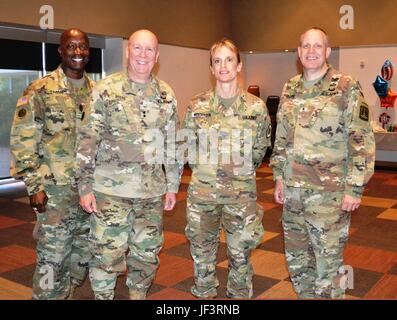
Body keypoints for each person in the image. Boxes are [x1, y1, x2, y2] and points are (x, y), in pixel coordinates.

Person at [76, 29, 182, 300]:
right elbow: (88, 138)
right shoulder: (106, 90)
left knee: (146, 255)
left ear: (156, 55)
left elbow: (172, 145)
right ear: (127, 51)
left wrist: (172, 186)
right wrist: (84, 186)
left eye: (149, 50)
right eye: (137, 48)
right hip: (110, 193)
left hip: (151, 193)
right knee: (106, 255)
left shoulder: (166, 95)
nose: (143, 55)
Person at [270, 27, 375, 299]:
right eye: (306, 46)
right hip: (293, 192)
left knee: (328, 264)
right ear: (298, 52)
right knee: (297, 261)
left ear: (328, 51)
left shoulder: (345, 86)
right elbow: (282, 135)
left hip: (329, 194)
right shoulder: (290, 87)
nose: (311, 51)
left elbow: (361, 138)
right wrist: (278, 177)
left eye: (318, 46)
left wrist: (355, 188)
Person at [182, 39, 271, 298]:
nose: (223, 66)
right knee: (202, 256)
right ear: (211, 68)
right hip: (203, 195)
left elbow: (259, 150)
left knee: (240, 255)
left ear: (239, 65)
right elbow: (189, 147)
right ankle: (205, 295)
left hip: (240, 196)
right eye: (217, 61)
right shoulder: (196, 105)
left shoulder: (256, 108)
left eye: (229, 59)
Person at [10, 28, 94, 299]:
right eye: (71, 46)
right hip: (54, 192)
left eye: (82, 47)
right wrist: (34, 186)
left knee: (81, 257)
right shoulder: (40, 90)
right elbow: (23, 139)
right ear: (61, 51)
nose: (77, 52)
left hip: (89, 193)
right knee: (52, 259)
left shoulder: (99, 93)